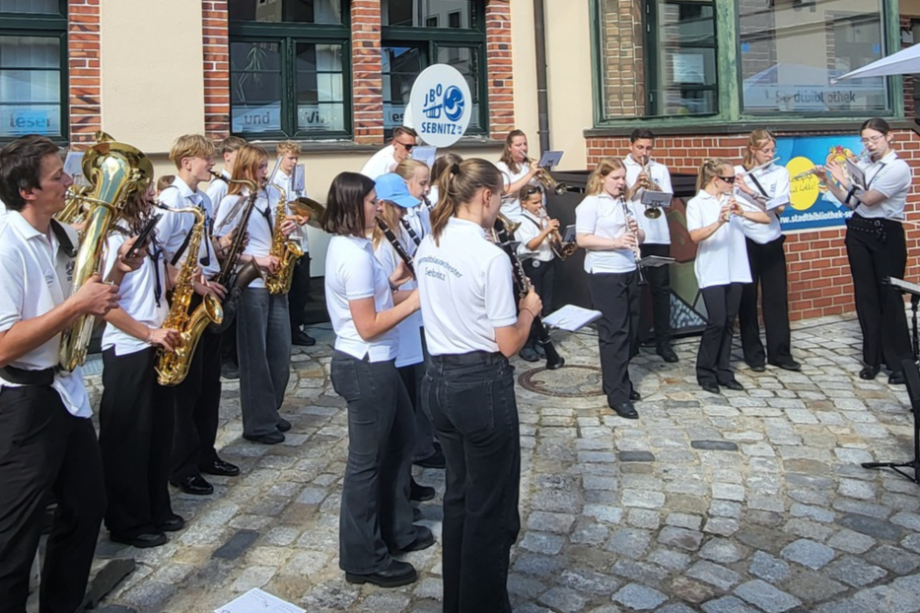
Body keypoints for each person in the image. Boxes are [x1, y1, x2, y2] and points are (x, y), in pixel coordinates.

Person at [0, 134, 141, 613]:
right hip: (22, 401)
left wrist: (117, 274)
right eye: (58, 175)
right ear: (27, 191)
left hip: (64, 391)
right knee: (14, 535)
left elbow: (84, 306)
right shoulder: (6, 247)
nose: (70, 181)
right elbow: (2, 347)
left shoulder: (58, 233)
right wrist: (77, 304)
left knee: (86, 507)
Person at [416, 159, 541, 613]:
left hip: (439, 380)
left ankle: (458, 602)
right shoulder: (489, 255)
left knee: (460, 496)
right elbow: (507, 343)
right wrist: (529, 309)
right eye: (502, 197)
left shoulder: (429, 241)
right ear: (485, 196)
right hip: (481, 383)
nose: (502, 205)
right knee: (491, 509)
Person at [323, 171, 433, 588]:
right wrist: (418, 300)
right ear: (353, 207)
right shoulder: (350, 254)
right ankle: (363, 558)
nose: (377, 208)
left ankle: (396, 529)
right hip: (365, 363)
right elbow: (367, 325)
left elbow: (375, 297)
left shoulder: (356, 247)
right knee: (365, 465)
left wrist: (399, 283)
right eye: (371, 202)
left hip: (378, 361)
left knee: (402, 442)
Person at [98, 186, 182, 549]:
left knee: (159, 435)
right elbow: (105, 304)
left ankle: (154, 507)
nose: (153, 193)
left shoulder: (150, 233)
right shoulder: (111, 238)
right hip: (130, 345)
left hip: (156, 339)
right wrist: (148, 332)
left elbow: (161, 281)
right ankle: (127, 521)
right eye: (145, 188)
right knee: (128, 439)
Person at [156, 134, 237, 496]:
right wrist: (194, 285)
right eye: (206, 159)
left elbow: (199, 247)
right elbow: (158, 257)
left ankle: (206, 453)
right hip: (183, 300)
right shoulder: (170, 202)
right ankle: (182, 466)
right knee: (186, 389)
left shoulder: (201, 199)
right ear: (187, 161)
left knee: (209, 384)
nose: (212, 165)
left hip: (204, 291)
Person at [816, 117, 913, 384]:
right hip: (859, 230)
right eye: (866, 139)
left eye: (875, 138)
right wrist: (829, 181)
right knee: (866, 296)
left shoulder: (898, 168)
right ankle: (872, 358)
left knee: (890, 297)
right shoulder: (862, 164)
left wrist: (844, 180)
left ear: (888, 137)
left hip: (886, 233)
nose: (870, 144)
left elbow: (870, 199)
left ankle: (899, 362)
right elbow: (851, 203)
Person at [216, 145, 295, 445]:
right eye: (260, 168)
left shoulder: (273, 195)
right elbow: (223, 250)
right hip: (251, 283)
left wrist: (289, 228)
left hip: (277, 280)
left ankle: (270, 410)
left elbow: (283, 229)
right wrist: (258, 261)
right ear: (246, 169)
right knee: (255, 357)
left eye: (266, 167)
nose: (265, 173)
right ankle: (258, 422)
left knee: (280, 352)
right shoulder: (232, 202)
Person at [373, 173, 444, 478]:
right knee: (406, 403)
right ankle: (412, 459)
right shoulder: (379, 245)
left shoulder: (399, 231)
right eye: (398, 207)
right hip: (397, 333)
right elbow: (384, 295)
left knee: (419, 389)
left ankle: (420, 448)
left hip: (412, 326)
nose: (404, 212)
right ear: (383, 205)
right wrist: (425, 294)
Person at [687, 159, 766, 394]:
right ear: (716, 180)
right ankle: (705, 371)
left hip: (736, 268)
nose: (733, 183)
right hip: (712, 269)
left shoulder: (735, 198)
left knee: (730, 322)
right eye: (730, 179)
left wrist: (743, 212)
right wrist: (720, 221)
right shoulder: (697, 203)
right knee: (716, 321)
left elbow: (767, 217)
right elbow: (695, 236)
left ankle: (724, 370)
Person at [575, 158, 644, 419]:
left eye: (623, 177)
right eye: (616, 178)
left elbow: (641, 237)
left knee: (631, 331)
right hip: (604, 272)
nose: (621, 182)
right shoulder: (591, 204)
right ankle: (617, 394)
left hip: (628, 268)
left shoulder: (625, 203)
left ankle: (619, 382)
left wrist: (636, 233)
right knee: (615, 332)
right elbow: (583, 239)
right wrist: (615, 242)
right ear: (602, 178)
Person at [733, 130, 801, 373]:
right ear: (753, 149)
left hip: (771, 238)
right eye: (765, 151)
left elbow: (779, 209)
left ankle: (780, 353)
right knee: (747, 299)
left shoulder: (780, 173)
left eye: (772, 150)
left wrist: (751, 193)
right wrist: (739, 189)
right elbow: (732, 208)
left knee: (776, 297)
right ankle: (753, 354)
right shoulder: (737, 173)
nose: (770, 155)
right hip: (745, 239)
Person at [624, 129, 677, 362]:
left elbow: (668, 201)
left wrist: (653, 186)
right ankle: (633, 340)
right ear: (631, 145)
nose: (644, 152)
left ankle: (663, 343)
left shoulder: (660, 169)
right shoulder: (622, 168)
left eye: (648, 148)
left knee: (661, 289)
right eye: (640, 147)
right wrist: (636, 185)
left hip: (658, 235)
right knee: (633, 290)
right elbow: (618, 198)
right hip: (634, 236)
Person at [274, 140, 315, 348]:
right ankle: (284, 331)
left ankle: (297, 327)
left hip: (301, 239)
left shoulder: (297, 176)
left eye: (296, 158)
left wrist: (305, 214)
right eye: (291, 158)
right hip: (285, 241)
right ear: (280, 157)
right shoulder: (275, 180)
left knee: (302, 287)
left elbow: (303, 202)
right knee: (287, 289)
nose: (294, 162)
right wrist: (291, 219)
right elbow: (275, 212)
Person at [515, 185, 559, 362]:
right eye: (534, 202)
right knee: (532, 307)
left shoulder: (543, 217)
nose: (539, 205)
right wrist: (547, 230)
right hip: (532, 264)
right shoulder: (521, 220)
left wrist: (555, 235)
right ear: (524, 203)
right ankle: (527, 344)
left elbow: (551, 241)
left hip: (548, 261)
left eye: (540, 201)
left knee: (546, 306)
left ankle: (542, 340)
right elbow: (531, 245)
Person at [495, 130, 541, 223]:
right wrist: (530, 174)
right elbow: (505, 190)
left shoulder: (530, 164)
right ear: (509, 148)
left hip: (534, 216)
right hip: (514, 216)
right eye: (518, 145)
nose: (523, 148)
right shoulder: (502, 166)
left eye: (525, 144)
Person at [206, 136, 247, 217]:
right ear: (227, 156)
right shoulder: (219, 186)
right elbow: (207, 217)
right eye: (241, 155)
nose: (245, 159)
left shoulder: (240, 182)